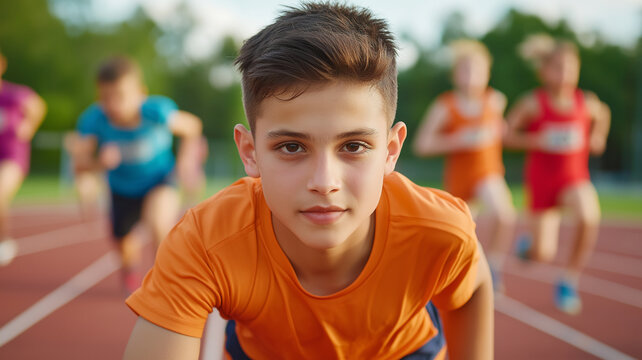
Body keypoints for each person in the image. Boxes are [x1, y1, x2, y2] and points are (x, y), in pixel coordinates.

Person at [123, 3, 493, 359]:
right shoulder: (206, 243)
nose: (324, 182)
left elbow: (474, 285)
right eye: (291, 147)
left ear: (391, 150)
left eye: (353, 145)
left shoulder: (439, 231)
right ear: (250, 152)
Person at [71, 56, 203, 293]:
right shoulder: (94, 120)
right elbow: (80, 165)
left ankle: (165, 283)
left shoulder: (156, 111)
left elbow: (192, 126)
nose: (113, 105)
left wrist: (186, 162)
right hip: (122, 187)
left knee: (159, 221)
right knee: (123, 243)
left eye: (120, 96)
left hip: (159, 179)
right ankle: (130, 272)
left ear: (140, 94)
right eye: (105, 98)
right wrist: (99, 163)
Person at [504, 34, 611, 314]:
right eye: (558, 67)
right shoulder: (533, 103)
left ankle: (568, 280)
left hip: (573, 178)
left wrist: (597, 136)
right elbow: (505, 134)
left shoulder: (586, 102)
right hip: (542, 182)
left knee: (589, 216)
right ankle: (527, 247)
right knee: (541, 254)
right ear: (545, 71)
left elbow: (604, 114)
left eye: (570, 67)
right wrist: (536, 140)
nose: (565, 74)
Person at [413, 40, 516, 293]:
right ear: (455, 75)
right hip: (459, 179)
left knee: (504, 214)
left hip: (487, 172)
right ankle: (463, 275)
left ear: (487, 74)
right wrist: (458, 140)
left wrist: (498, 131)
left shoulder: (495, 101)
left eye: (477, 71)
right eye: (465, 70)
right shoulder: (445, 105)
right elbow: (422, 145)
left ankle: (494, 266)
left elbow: (502, 132)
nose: (471, 77)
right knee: (461, 235)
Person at [0, 49, 47, 266]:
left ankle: (4, 240)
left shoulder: (13, 94)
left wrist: (29, 126)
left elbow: (38, 106)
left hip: (12, 157)